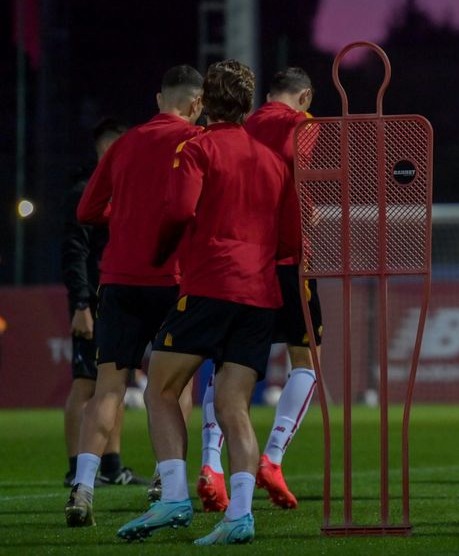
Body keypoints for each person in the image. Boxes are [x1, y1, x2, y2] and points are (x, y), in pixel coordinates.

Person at [116, 60, 296, 545]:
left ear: (205, 103)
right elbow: (291, 239)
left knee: (159, 388)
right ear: (247, 106)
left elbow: (178, 210)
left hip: (211, 285)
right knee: (235, 406)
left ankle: (174, 496)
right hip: (260, 293)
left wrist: (160, 252)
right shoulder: (273, 161)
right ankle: (240, 515)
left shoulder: (197, 147)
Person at [64, 67, 204, 528]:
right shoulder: (197, 142)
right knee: (174, 387)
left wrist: (123, 216)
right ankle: (167, 480)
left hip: (120, 280)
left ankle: (83, 488)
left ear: (159, 99)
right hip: (174, 281)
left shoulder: (124, 145)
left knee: (108, 388)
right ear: (197, 104)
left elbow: (87, 210)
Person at [196, 66, 321, 512]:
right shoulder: (303, 126)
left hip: (242, 260)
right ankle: (273, 457)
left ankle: (211, 464)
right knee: (306, 359)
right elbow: (303, 181)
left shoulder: (242, 126)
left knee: (227, 365)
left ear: (267, 96)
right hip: (289, 259)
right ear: (304, 97)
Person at [61, 118, 142, 489]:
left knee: (115, 379)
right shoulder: (84, 191)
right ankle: (76, 468)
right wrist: (81, 304)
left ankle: (111, 465)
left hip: (116, 297)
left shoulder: (120, 190)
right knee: (85, 382)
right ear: (109, 147)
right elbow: (73, 253)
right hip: (91, 301)